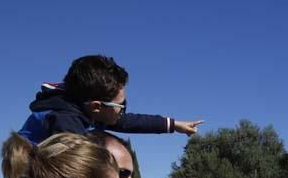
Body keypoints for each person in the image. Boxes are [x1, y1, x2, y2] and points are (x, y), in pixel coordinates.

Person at [18, 55, 201, 145]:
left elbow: (131, 122)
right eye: (121, 106)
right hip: (25, 174)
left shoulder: (86, 108)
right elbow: (76, 163)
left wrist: (175, 125)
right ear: (97, 106)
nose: (124, 111)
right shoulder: (65, 119)